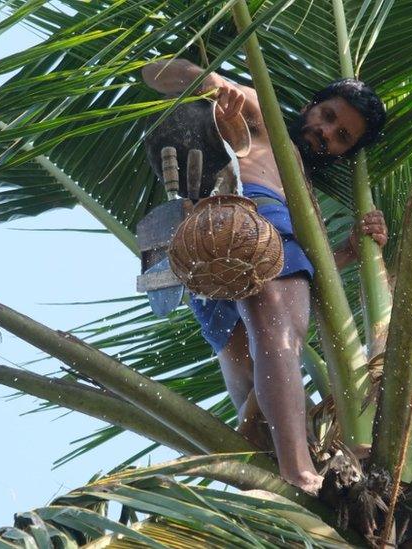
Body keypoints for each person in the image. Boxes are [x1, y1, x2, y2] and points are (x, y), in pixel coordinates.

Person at [141, 59, 388, 495]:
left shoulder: (303, 189)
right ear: (311, 106)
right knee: (280, 330)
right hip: (248, 214)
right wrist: (212, 85)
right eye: (328, 117)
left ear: (346, 152)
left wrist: (349, 252)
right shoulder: (262, 116)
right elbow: (155, 73)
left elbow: (308, 263)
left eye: (342, 137)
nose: (327, 133)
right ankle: (299, 471)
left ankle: (274, 482)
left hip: (207, 245)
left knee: (244, 369)